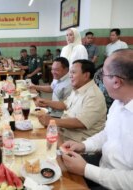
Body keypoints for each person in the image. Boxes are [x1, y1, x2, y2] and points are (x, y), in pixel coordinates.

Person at [61, 49, 133, 189]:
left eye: (103, 74)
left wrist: (86, 170)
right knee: (59, 167)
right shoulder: (118, 103)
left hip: (118, 183)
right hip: (103, 164)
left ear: (116, 82)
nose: (100, 79)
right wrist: (84, 145)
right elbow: (107, 133)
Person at [38, 59, 107, 142]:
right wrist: (45, 102)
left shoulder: (94, 96)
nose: (70, 75)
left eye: (73, 72)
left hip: (77, 142)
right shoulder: (78, 88)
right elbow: (65, 104)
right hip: (64, 132)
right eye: (70, 72)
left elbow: (80, 123)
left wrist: (51, 121)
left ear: (86, 75)